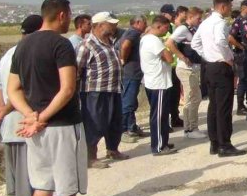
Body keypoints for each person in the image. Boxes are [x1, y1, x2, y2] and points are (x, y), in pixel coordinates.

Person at [6, 0, 100, 196]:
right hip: (62, 126)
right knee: (66, 189)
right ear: (61, 15)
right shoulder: (61, 45)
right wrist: (43, 117)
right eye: (68, 15)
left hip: (35, 130)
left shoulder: (22, 47)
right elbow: (67, 88)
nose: (69, 20)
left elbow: (13, 89)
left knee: (42, 187)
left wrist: (30, 115)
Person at [0, 13, 43, 196]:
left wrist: (2, 111)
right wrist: (12, 110)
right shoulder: (27, 54)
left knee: (12, 174)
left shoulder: (9, 53)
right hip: (23, 122)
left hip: (9, 123)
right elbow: (25, 89)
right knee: (26, 173)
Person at [192, 0, 247, 157]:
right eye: (230, 6)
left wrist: (208, 55)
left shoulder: (206, 22)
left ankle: (214, 143)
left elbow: (195, 43)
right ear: (222, 6)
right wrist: (227, 58)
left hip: (209, 67)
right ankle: (225, 144)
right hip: (221, 66)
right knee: (224, 107)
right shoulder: (220, 23)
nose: (231, 9)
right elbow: (221, 42)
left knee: (213, 106)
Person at [76, 12, 127, 169]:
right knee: (95, 123)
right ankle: (90, 157)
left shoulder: (109, 42)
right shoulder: (86, 45)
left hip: (113, 88)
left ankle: (112, 149)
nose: (114, 26)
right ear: (98, 25)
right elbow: (77, 69)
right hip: (94, 91)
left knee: (115, 120)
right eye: (110, 23)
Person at [139, 16, 178, 156]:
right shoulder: (154, 41)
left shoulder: (146, 38)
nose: (167, 31)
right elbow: (169, 58)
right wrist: (167, 51)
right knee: (159, 116)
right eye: (166, 28)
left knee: (161, 114)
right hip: (158, 82)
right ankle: (159, 146)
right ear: (159, 26)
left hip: (154, 81)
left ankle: (163, 141)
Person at [167, 7, 205, 139]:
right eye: (198, 18)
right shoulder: (183, 29)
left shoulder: (193, 29)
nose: (200, 20)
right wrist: (181, 56)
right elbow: (170, 42)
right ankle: (191, 129)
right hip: (186, 68)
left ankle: (190, 128)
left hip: (194, 68)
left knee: (194, 98)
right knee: (192, 98)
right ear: (190, 17)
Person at [117, 15, 148, 142]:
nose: (146, 25)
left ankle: (132, 127)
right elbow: (125, 46)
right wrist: (124, 60)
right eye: (144, 23)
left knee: (131, 101)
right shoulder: (133, 33)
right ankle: (124, 130)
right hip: (131, 72)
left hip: (132, 72)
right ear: (138, 22)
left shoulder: (128, 32)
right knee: (128, 102)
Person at [160, 4, 185, 129]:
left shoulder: (172, 27)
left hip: (174, 66)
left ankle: (175, 117)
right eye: (171, 13)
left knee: (175, 94)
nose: (174, 15)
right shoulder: (159, 29)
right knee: (166, 96)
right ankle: (165, 121)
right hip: (164, 66)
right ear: (164, 14)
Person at [228, 4, 247, 115]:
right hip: (241, 55)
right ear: (245, 8)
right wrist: (241, 47)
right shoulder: (238, 21)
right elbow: (230, 38)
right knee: (243, 80)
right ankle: (240, 106)